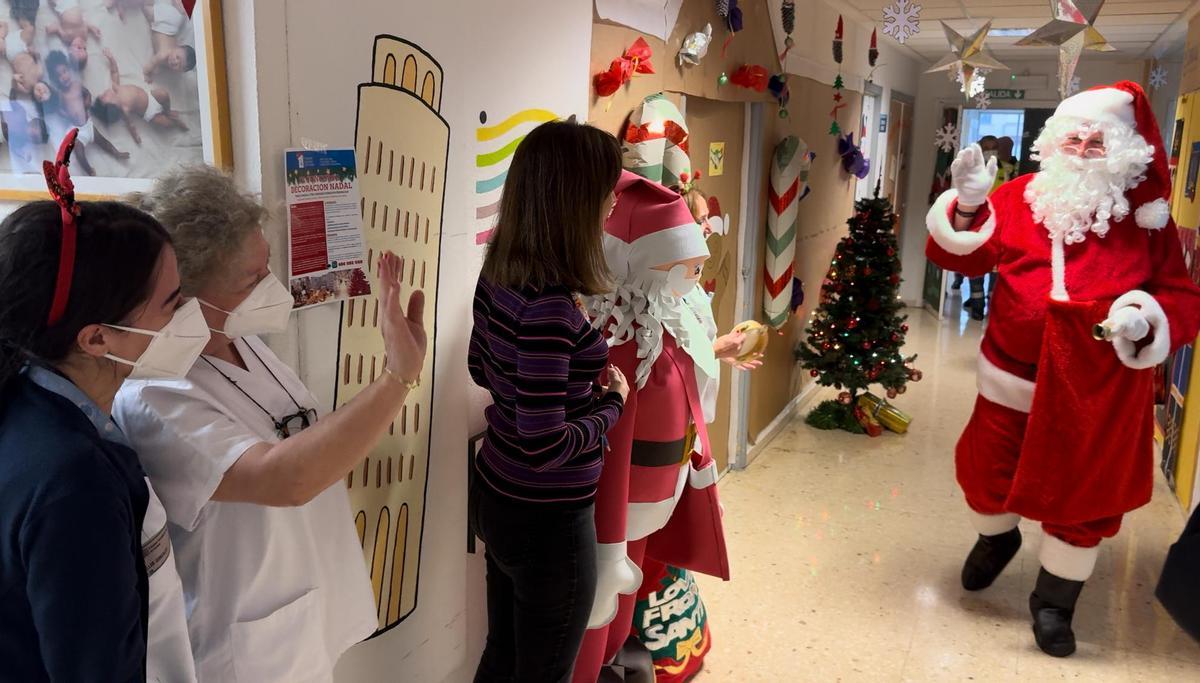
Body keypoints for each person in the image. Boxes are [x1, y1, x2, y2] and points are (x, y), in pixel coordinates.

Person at [114, 166, 428, 682]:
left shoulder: (244, 342)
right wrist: (396, 378)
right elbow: (285, 477)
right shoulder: (153, 395)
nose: (270, 287)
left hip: (304, 606)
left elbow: (305, 438)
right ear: (183, 294)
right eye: (251, 278)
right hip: (245, 644)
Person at [925, 81, 1200, 657]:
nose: (1080, 146)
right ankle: (996, 540)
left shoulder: (1146, 221)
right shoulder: (1021, 196)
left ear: (1125, 150)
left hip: (1098, 393)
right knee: (985, 477)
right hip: (1009, 378)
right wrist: (971, 206)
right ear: (1052, 140)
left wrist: (1144, 315)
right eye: (1072, 135)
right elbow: (961, 257)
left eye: (1097, 141)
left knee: (1083, 502)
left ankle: (1054, 603)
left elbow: (1181, 297)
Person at [0, 131, 200, 683]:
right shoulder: (73, 481)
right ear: (96, 339)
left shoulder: (26, 406)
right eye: (172, 303)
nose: (187, 317)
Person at [574, 94, 732, 682]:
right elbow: (613, 434)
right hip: (621, 498)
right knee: (602, 597)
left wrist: (717, 350)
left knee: (627, 590)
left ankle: (613, 660)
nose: (695, 274)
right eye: (681, 265)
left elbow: (677, 373)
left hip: (657, 489)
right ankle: (597, 666)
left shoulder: (658, 317)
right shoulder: (612, 340)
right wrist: (611, 533)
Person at [468, 119, 630, 682]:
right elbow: (544, 445)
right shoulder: (551, 309)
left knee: (503, 655)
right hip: (549, 520)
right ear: (574, 202)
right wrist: (611, 404)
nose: (613, 202)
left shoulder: (499, 274)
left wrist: (548, 386)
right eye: (606, 191)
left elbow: (476, 365)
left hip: (498, 493)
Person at [92, 48, 188, 144]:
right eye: (104, 96)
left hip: (151, 97)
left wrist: (111, 59)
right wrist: (135, 136)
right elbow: (130, 125)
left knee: (164, 94)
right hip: (149, 113)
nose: (104, 92)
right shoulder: (125, 108)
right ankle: (175, 123)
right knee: (165, 123)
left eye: (102, 94)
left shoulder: (115, 87)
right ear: (112, 107)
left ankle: (168, 111)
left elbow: (115, 72)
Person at [142, 0, 197, 82]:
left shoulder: (169, 60)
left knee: (179, 16)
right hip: (164, 24)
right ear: (177, 48)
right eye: (177, 57)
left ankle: (181, 11)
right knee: (146, 8)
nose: (175, 61)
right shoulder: (164, 54)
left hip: (173, 25)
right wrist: (147, 73)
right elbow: (152, 62)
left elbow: (160, 66)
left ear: (180, 71)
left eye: (179, 65)